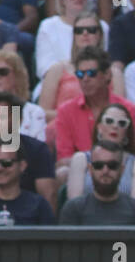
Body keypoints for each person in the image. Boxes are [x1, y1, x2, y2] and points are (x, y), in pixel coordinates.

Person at [53, 47, 135, 182]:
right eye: (80, 74)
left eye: (91, 73)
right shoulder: (66, 111)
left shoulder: (129, 110)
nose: (85, 79)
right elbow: (63, 159)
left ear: (107, 74)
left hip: (124, 172)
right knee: (62, 172)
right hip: (82, 173)